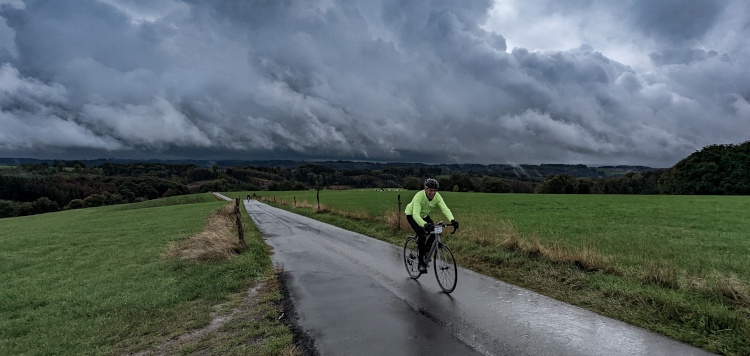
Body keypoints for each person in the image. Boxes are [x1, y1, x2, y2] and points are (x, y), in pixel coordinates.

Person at [404, 178, 459, 274]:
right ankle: (421, 263)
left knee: (436, 230)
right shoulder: (419, 196)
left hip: (424, 216)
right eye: (430, 190)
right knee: (421, 234)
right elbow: (416, 214)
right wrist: (424, 225)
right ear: (425, 189)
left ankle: (425, 252)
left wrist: (452, 220)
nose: (433, 193)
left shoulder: (437, 196)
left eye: (434, 191)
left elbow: (445, 209)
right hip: (412, 215)